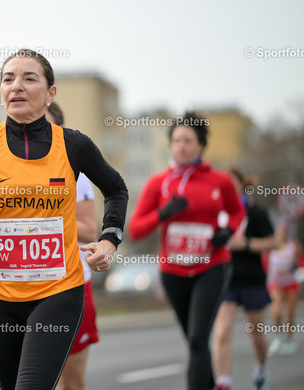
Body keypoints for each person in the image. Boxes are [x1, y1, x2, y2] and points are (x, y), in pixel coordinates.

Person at [0, 49, 128, 389]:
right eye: (8, 79)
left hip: (58, 291)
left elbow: (116, 189)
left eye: (29, 78)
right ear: (1, 92)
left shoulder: (74, 145)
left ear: (51, 93)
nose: (16, 86)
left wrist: (110, 240)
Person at [128, 112, 246, 390]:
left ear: (201, 145)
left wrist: (228, 231)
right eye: (176, 140)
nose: (181, 146)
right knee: (195, 342)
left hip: (211, 266)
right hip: (173, 271)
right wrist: (163, 213)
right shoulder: (158, 183)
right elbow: (135, 229)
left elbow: (237, 210)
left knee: (197, 338)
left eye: (188, 140)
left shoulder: (219, 180)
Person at [45, 102, 99, 390]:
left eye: (44, 125)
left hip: (71, 283)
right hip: (24, 286)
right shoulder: (5, 173)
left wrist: (45, 218)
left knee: (71, 380)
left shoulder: (75, 172)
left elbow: (90, 231)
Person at [212, 168, 276, 390]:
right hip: (225, 280)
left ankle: (261, 370)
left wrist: (246, 244)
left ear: (241, 185)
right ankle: (223, 383)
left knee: (256, 334)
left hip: (252, 280)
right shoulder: (217, 212)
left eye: (232, 183)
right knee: (222, 333)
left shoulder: (255, 211)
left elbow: (274, 242)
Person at [267, 220, 302, 356]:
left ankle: (289, 339)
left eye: (284, 230)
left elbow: (301, 260)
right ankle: (279, 336)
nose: (282, 233)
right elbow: (264, 261)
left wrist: (300, 271)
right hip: (275, 282)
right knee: (276, 311)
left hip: (291, 282)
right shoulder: (270, 244)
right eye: (280, 230)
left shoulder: (294, 245)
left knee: (289, 313)